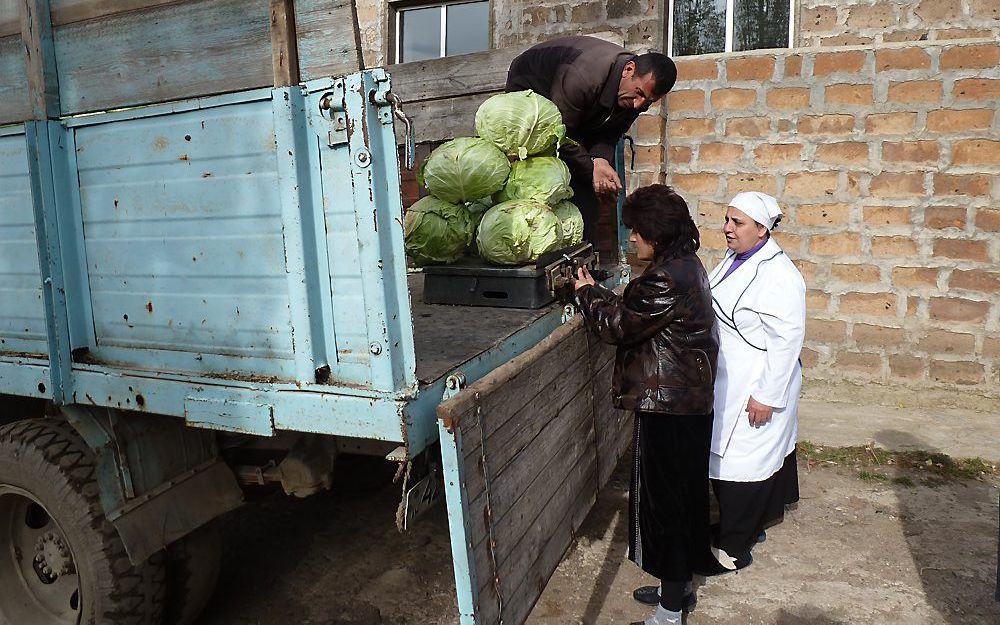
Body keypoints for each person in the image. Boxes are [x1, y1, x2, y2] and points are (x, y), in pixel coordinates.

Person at [572, 185, 719, 625]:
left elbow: (618, 326)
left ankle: (669, 613)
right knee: (684, 500)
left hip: (669, 407)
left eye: (636, 231)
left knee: (667, 508)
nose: (631, 239)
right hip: (685, 401)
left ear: (655, 232)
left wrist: (586, 292)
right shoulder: (684, 266)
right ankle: (680, 587)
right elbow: (639, 313)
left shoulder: (665, 277)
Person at [706, 191, 806, 571]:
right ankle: (742, 526)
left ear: (762, 229)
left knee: (743, 462)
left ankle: (736, 548)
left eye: (738, 222)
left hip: (759, 380)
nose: (727, 229)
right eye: (727, 219)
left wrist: (767, 395)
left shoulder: (780, 275)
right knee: (727, 457)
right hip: (730, 376)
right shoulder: (736, 258)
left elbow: (786, 340)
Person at [506, 36, 677, 244]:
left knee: (592, 181)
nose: (637, 105)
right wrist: (591, 167)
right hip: (532, 85)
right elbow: (560, 132)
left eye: (648, 101)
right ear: (628, 70)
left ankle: (584, 248)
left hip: (574, 111)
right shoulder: (583, 77)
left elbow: (612, 131)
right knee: (561, 169)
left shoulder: (636, 98)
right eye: (638, 93)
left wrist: (601, 159)